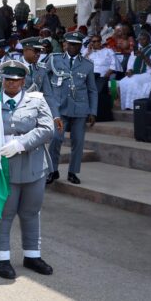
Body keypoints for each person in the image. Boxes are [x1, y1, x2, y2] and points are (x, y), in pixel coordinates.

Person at [0, 60, 55, 279]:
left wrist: (21, 143)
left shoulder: (36, 101)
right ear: (2, 80)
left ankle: (32, 255)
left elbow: (47, 129)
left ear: (24, 81)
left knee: (31, 212)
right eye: (8, 80)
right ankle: (2, 258)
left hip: (32, 166)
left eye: (17, 80)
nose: (13, 84)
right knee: (4, 214)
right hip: (2, 169)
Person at [46, 31, 97, 185]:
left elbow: (92, 90)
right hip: (59, 108)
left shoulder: (87, 65)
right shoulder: (54, 60)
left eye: (77, 45)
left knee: (78, 141)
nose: (74, 47)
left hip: (80, 109)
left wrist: (93, 111)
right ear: (65, 44)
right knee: (56, 138)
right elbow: (45, 80)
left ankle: (73, 172)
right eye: (71, 44)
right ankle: (52, 170)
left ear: (81, 46)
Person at [19, 37, 60, 119]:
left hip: (35, 113)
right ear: (25, 50)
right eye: (35, 50)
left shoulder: (41, 69)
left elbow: (48, 95)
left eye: (40, 51)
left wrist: (56, 116)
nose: (38, 54)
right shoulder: (14, 67)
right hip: (18, 112)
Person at [118, 32, 151, 110]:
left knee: (134, 81)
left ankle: (136, 105)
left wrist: (142, 56)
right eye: (139, 39)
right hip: (137, 73)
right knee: (123, 81)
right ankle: (127, 105)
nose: (141, 41)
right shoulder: (135, 52)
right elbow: (131, 65)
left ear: (149, 40)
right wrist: (129, 71)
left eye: (144, 39)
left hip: (149, 73)